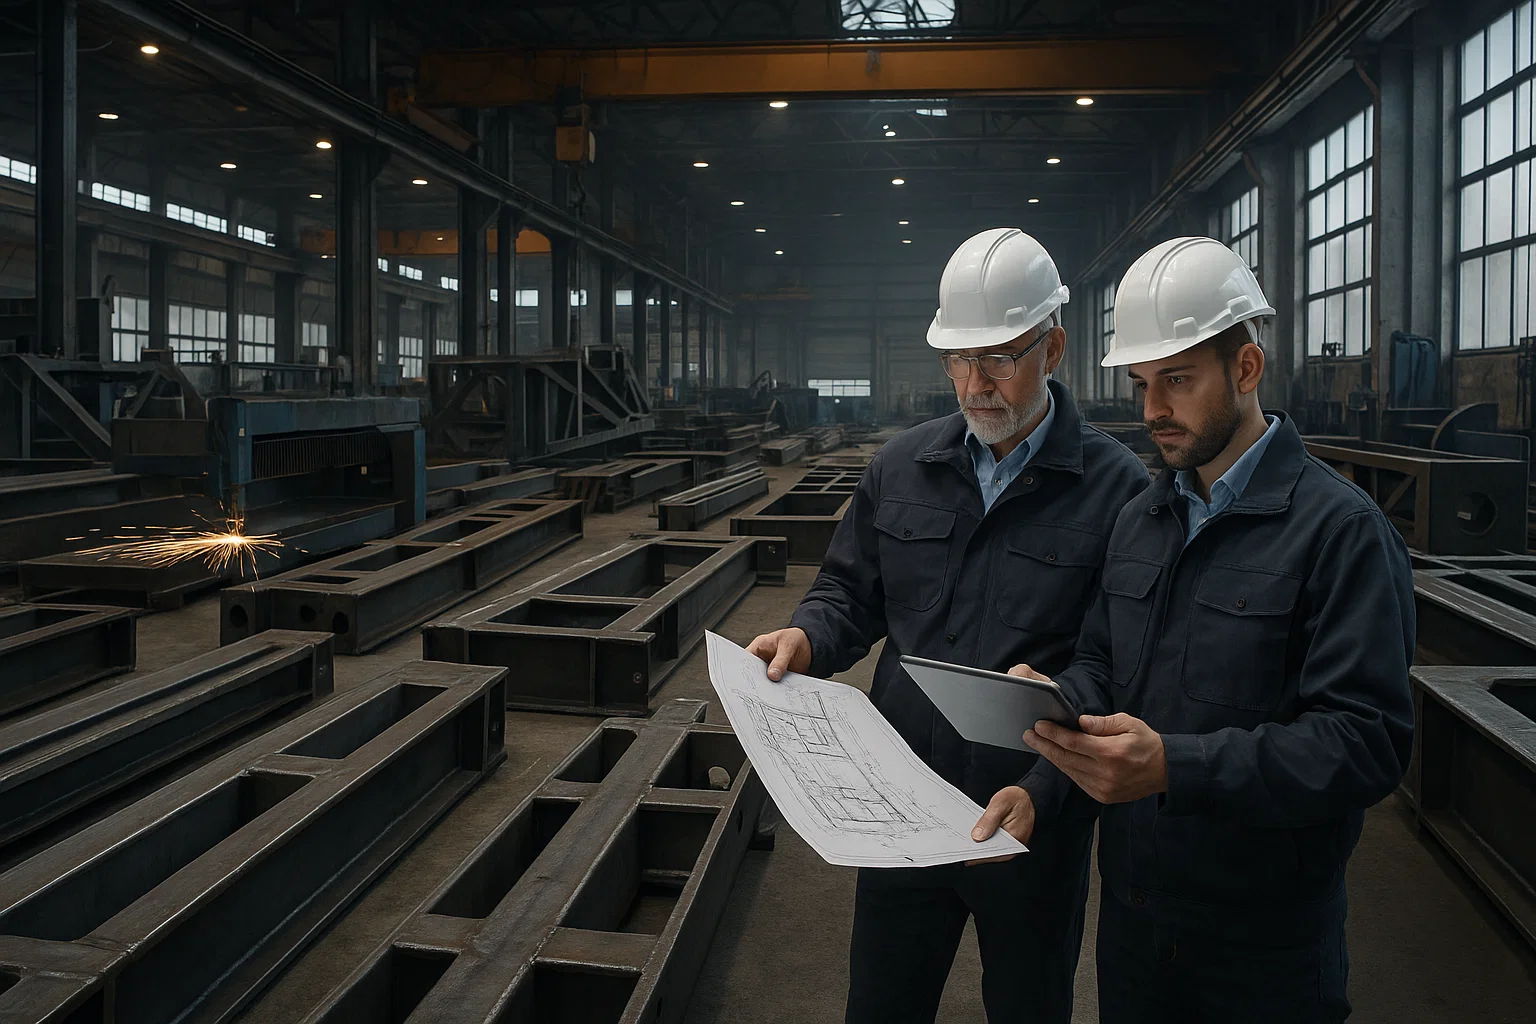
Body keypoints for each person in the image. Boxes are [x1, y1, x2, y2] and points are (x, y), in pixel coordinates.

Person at [1004, 236, 1415, 1023]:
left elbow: (1366, 743)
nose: (1153, 409)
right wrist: (1050, 731)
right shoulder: (1142, 518)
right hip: (1133, 917)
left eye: (1179, 381)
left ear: (1247, 369)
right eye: (1142, 383)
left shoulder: (1340, 533)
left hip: (1265, 944)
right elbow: (1102, 663)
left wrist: (1175, 768)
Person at [747, 227, 1150, 1024]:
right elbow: (848, 591)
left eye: (998, 358)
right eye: (957, 360)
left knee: (1028, 1007)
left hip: (1030, 817)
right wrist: (808, 637)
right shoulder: (902, 468)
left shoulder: (1119, 491)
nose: (974, 384)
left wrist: (1045, 789)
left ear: (1054, 348)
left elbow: (1117, 664)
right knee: (883, 1005)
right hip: (901, 808)